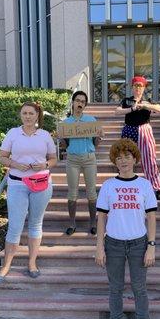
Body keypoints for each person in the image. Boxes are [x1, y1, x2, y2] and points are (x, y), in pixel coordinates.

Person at [95, 138, 157, 319]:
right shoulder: (108, 186)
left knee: (140, 289)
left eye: (127, 156)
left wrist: (151, 246)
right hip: (113, 244)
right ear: (114, 161)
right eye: (119, 157)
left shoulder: (144, 185)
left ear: (135, 159)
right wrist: (99, 247)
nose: (123, 161)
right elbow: (101, 217)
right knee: (115, 289)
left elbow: (151, 217)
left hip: (139, 244)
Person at [0, 102, 57, 283]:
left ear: (37, 115)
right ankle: (6, 265)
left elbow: (53, 159)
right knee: (15, 226)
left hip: (41, 184)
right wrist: (14, 164)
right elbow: (2, 157)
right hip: (17, 184)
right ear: (20, 115)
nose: (27, 116)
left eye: (31, 113)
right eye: (24, 113)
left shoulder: (45, 135)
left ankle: (32, 263)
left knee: (36, 224)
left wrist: (45, 165)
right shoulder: (13, 133)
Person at [115, 76, 160, 200]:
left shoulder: (148, 100)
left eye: (140, 86)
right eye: (136, 85)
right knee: (125, 158)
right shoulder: (127, 100)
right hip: (129, 130)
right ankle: (123, 184)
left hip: (144, 130)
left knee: (149, 159)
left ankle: (155, 187)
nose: (138, 88)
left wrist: (145, 106)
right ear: (132, 87)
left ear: (144, 88)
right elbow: (117, 111)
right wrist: (132, 108)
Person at [61, 91, 103, 236]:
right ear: (73, 102)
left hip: (89, 158)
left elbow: (96, 143)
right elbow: (64, 145)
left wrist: (99, 136)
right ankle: (72, 223)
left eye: (83, 102)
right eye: (78, 100)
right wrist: (60, 138)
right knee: (72, 193)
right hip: (72, 159)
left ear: (85, 105)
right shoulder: (66, 123)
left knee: (91, 192)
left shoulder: (91, 120)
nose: (80, 103)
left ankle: (93, 223)